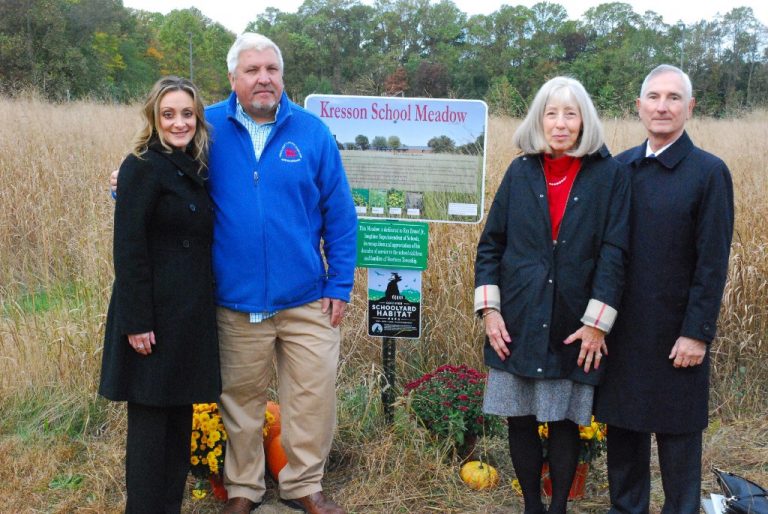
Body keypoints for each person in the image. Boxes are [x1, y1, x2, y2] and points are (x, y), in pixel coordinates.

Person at [112, 33, 357, 514]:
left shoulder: (312, 132)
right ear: (232, 78)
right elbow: (166, 176)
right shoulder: (209, 129)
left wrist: (340, 281)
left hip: (307, 296)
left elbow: (340, 213)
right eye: (252, 70)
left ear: (282, 76)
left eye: (272, 69)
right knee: (240, 406)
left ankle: (303, 484)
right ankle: (244, 489)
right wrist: (124, 186)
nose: (263, 78)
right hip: (233, 298)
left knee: (312, 400)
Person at [475, 76, 630, 514]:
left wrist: (597, 325)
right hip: (517, 320)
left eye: (570, 113)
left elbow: (615, 253)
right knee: (520, 418)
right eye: (551, 113)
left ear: (585, 120)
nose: (560, 124)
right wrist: (490, 312)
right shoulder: (520, 172)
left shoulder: (609, 176)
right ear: (538, 119)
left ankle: (558, 506)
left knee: (565, 421)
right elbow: (491, 245)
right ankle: (531, 506)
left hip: (575, 322)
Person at [595, 64, 734, 514]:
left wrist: (697, 332)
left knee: (678, 444)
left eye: (673, 98)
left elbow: (712, 263)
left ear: (690, 108)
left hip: (679, 338)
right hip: (623, 334)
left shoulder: (709, 172)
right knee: (625, 441)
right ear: (638, 107)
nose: (662, 106)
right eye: (653, 97)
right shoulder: (619, 168)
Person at [99, 76, 221, 514]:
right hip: (151, 320)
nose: (178, 122)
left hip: (187, 318)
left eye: (187, 113)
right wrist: (137, 321)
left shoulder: (195, 166)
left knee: (178, 423)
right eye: (168, 114)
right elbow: (128, 249)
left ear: (197, 118)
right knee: (151, 431)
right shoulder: (141, 165)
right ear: (153, 117)